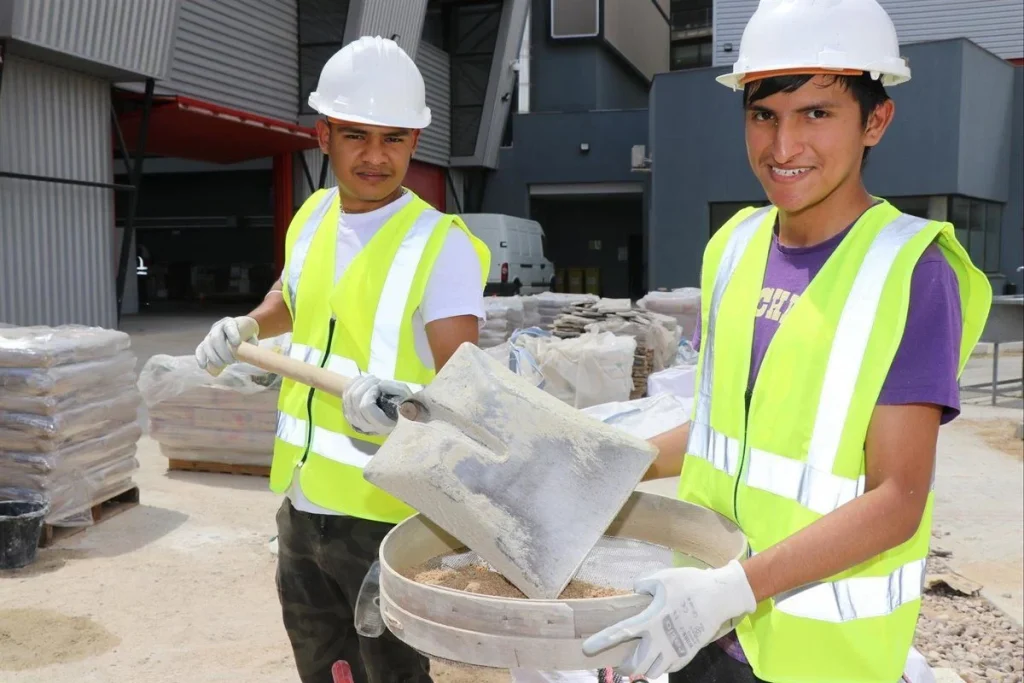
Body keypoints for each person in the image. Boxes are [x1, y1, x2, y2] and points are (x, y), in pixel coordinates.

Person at [582, 1, 992, 682]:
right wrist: (601, 465)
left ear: (876, 121)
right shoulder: (734, 247)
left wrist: (735, 586)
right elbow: (723, 429)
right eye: (764, 114)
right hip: (703, 624)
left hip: (818, 655)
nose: (783, 147)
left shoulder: (911, 272)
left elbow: (897, 496)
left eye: (817, 114)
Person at [194, 36, 490, 683]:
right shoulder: (312, 215)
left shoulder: (442, 248)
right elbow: (293, 296)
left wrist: (406, 400)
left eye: (394, 138)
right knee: (322, 664)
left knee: (392, 672)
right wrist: (247, 322)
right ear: (324, 134)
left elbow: (466, 385)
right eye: (357, 135)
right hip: (301, 502)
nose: (376, 157)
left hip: (383, 515)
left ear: (416, 140)